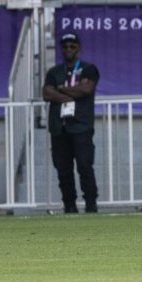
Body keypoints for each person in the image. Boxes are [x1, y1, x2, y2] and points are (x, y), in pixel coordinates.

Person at [42, 33, 100, 214]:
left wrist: (59, 89)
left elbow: (86, 89)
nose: (68, 49)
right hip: (59, 127)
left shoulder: (88, 69)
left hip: (81, 125)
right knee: (63, 169)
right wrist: (72, 93)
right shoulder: (54, 72)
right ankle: (69, 205)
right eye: (65, 46)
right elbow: (46, 94)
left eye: (72, 46)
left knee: (84, 165)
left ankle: (91, 204)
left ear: (78, 48)